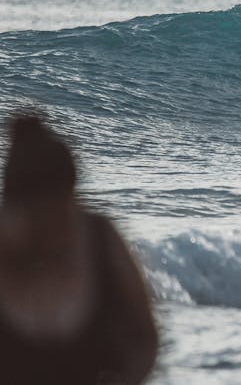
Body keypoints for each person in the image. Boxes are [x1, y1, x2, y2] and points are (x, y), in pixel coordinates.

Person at [0, 114, 158, 384]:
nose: (50, 227)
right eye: (36, 216)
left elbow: (145, 338)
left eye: (61, 214)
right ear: (14, 206)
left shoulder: (99, 239)